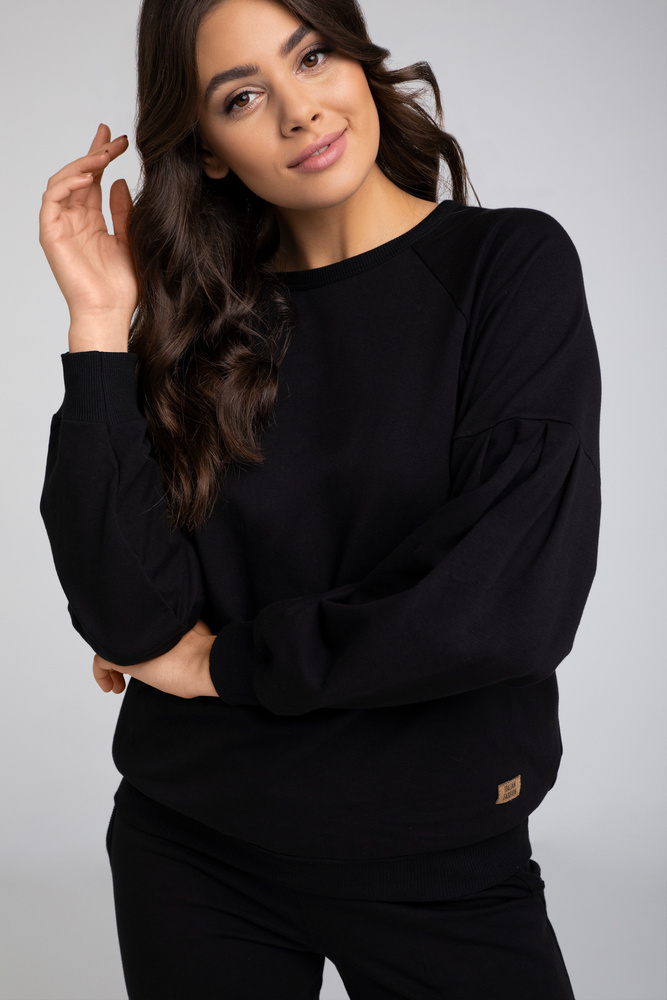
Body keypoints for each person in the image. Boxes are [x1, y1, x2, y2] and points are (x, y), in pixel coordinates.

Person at [38, 0, 601, 996]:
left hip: (438, 856)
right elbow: (127, 618)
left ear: (357, 59)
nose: (298, 110)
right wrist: (98, 321)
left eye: (312, 56)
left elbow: (501, 605)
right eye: (241, 97)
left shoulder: (507, 270)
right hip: (193, 847)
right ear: (207, 151)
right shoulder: (198, 318)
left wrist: (223, 663)